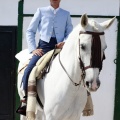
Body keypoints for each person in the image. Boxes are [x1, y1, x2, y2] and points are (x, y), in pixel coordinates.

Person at [16, 0, 73, 115]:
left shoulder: (66, 14)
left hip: (60, 47)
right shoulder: (41, 11)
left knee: (77, 68)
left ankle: (83, 100)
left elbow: (69, 32)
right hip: (44, 47)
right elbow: (30, 31)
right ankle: (25, 100)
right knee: (29, 68)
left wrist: (65, 42)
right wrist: (33, 49)